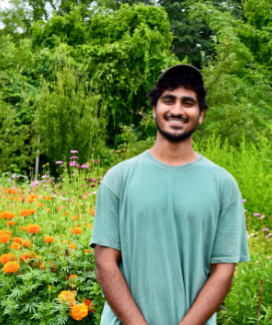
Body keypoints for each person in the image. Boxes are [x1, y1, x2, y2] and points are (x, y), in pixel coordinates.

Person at [89, 64, 250, 325]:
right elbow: (105, 263)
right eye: (168, 100)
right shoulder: (117, 179)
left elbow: (224, 271)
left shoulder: (223, 185)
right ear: (154, 109)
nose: (177, 110)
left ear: (201, 115)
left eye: (188, 102)